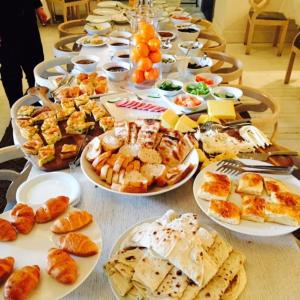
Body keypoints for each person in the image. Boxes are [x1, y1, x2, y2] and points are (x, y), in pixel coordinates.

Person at [0, 0, 48, 107]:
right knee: (11, 72)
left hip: (28, 20)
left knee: (36, 66)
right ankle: (17, 110)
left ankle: (39, 104)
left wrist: (38, 6)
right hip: (4, 26)